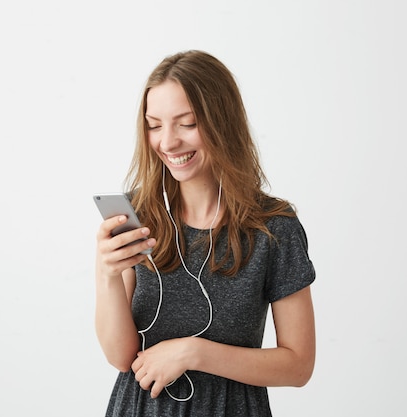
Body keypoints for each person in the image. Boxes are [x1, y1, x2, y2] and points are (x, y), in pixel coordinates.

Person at [95, 50, 316, 417]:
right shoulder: (137, 217)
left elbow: (298, 366)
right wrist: (106, 275)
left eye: (187, 123)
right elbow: (120, 357)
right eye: (154, 125)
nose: (167, 142)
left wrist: (195, 352)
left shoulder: (274, 228)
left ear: (222, 121)